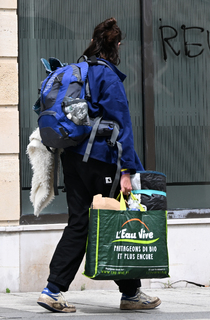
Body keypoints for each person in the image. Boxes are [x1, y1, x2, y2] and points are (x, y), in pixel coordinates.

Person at [37, 18, 161, 313]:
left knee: (80, 221)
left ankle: (54, 290)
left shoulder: (78, 71)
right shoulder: (108, 77)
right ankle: (129, 294)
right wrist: (130, 170)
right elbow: (122, 124)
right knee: (116, 221)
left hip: (73, 157)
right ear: (116, 45)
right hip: (101, 159)